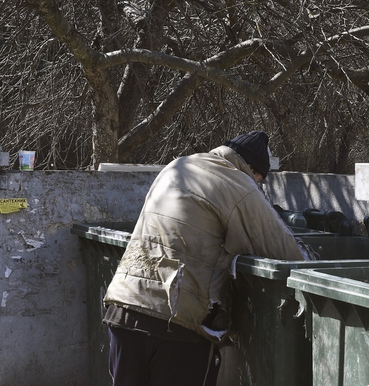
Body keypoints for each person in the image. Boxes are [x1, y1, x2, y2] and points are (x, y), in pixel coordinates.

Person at [102, 130, 317, 386]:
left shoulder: (177, 166)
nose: (258, 186)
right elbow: (283, 248)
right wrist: (315, 258)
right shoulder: (238, 182)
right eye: (259, 179)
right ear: (250, 168)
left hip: (123, 312)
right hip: (176, 325)